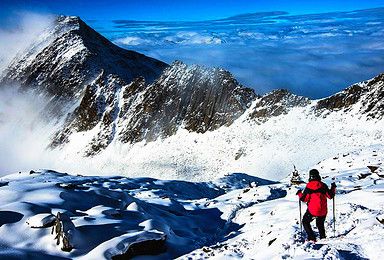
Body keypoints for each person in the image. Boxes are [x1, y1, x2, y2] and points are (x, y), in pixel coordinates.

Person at [296, 169, 336, 242]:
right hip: (323, 211)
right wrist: (333, 187)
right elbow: (330, 196)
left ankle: (311, 238)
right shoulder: (323, 185)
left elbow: (304, 199)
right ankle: (323, 238)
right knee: (320, 224)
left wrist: (299, 193)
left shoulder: (309, 186)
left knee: (305, 222)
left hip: (313, 211)